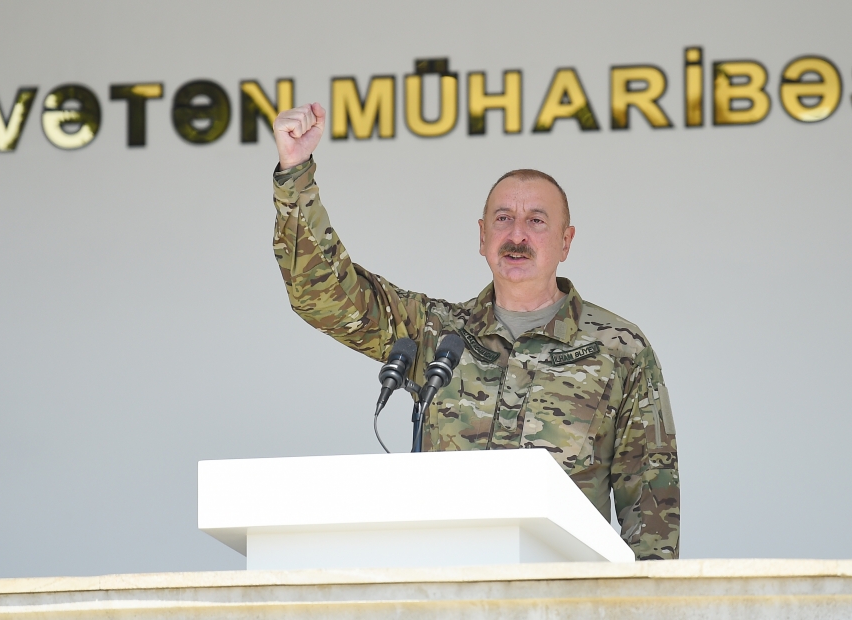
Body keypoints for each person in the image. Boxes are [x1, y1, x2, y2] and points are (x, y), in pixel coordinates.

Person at [270, 102, 680, 560]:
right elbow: (324, 295)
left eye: (536, 221)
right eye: (503, 219)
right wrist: (295, 172)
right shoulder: (436, 332)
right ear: (483, 236)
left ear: (566, 241)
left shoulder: (618, 349)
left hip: (561, 588)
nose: (517, 235)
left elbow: (652, 509)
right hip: (446, 583)